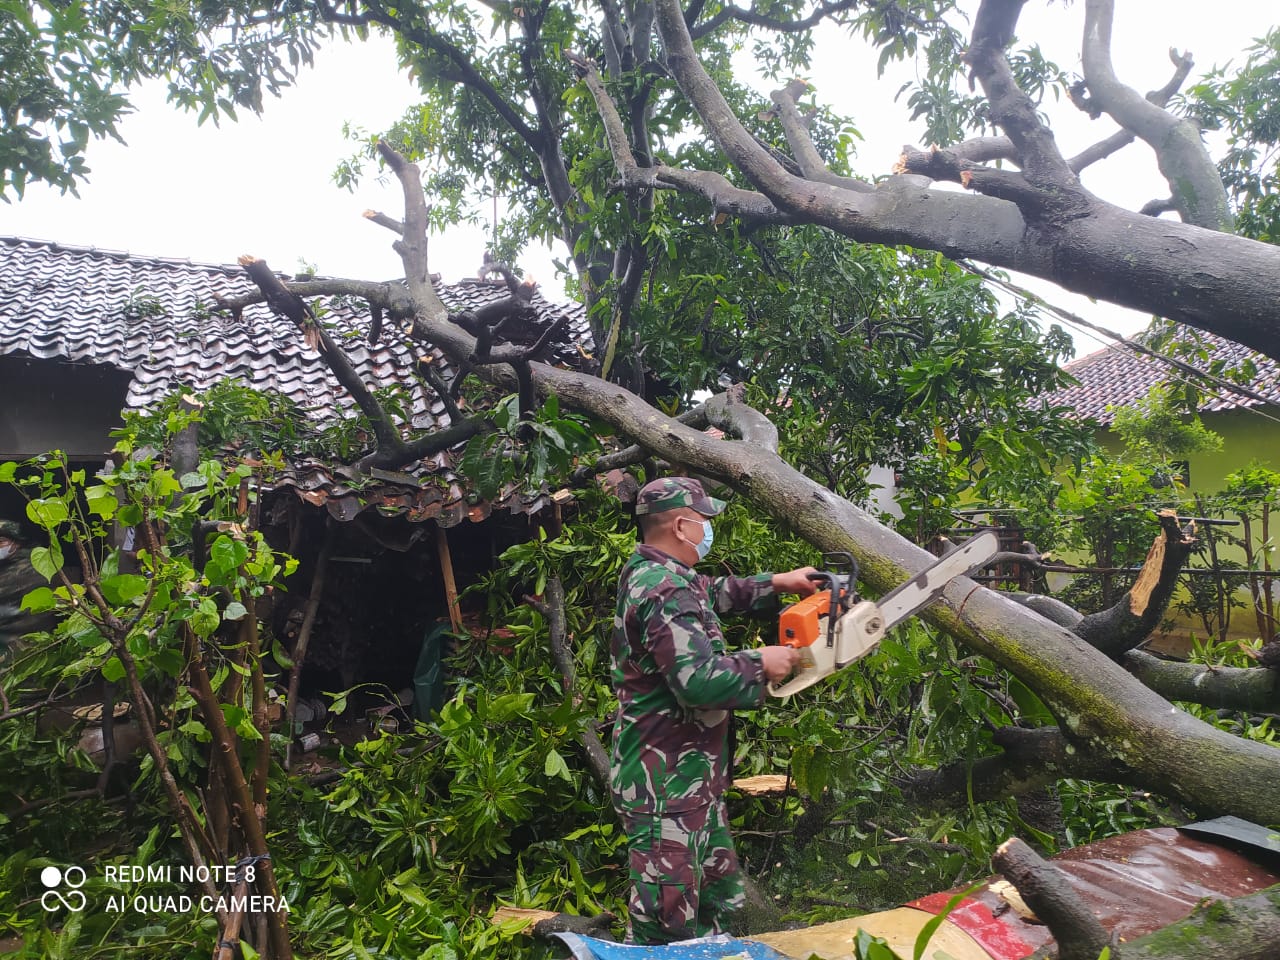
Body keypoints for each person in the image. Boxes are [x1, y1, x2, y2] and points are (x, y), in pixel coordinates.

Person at [609, 476, 817, 943]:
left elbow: (712, 589)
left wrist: (779, 583)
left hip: (691, 782)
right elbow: (697, 682)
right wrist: (761, 663)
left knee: (720, 900)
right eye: (703, 520)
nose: (707, 528)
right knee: (665, 923)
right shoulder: (663, 590)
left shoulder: (662, 574)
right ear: (681, 525)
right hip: (665, 787)